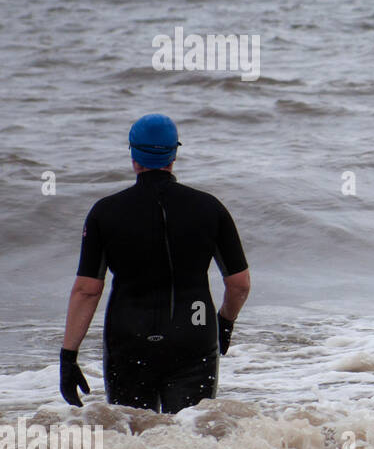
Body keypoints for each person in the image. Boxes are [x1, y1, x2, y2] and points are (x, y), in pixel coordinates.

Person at [59, 114, 251, 413]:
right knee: (191, 437)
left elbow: (87, 290)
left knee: (134, 436)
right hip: (194, 337)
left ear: (133, 156)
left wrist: (68, 356)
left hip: (129, 340)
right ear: (174, 155)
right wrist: (224, 323)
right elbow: (239, 284)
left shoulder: (105, 213)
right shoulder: (210, 208)